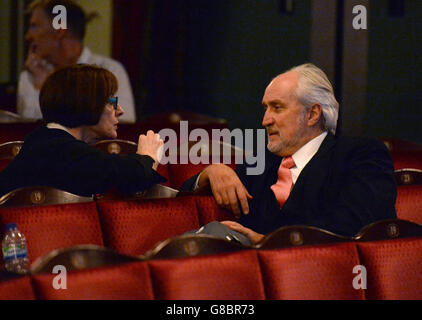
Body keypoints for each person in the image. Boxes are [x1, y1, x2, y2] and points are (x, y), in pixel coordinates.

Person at [182, 63, 397, 243]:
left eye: (277, 108)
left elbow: (354, 227)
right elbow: (180, 204)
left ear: (312, 114)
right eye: (265, 108)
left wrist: (267, 241)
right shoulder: (261, 162)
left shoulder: (362, 155)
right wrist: (210, 173)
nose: (265, 120)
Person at [0, 64, 164, 197]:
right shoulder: (59, 149)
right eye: (111, 101)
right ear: (86, 103)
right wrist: (147, 157)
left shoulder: (50, 141)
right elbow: (128, 175)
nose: (120, 110)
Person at [17, 0, 136, 123]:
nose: (28, 36)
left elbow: (123, 126)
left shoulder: (110, 71)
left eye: (34, 26)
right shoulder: (30, 76)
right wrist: (42, 87)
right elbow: (30, 130)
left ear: (60, 30)